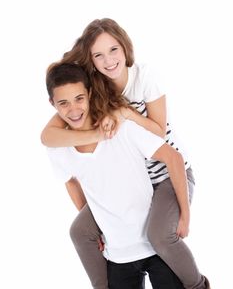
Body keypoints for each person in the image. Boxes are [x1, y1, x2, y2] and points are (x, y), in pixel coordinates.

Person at [41, 19, 210, 289]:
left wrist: (125, 113)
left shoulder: (144, 77)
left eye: (114, 50)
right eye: (98, 55)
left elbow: (159, 134)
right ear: (90, 60)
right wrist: (95, 135)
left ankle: (197, 285)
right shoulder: (93, 89)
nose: (108, 61)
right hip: (138, 180)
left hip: (166, 175)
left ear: (125, 47)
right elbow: (48, 136)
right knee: (80, 231)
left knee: (160, 236)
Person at [45, 61, 186, 288]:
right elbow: (70, 181)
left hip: (156, 247)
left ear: (89, 93)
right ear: (52, 104)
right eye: (63, 103)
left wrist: (183, 216)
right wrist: (96, 222)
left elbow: (173, 157)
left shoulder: (121, 127)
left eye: (79, 98)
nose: (73, 109)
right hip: (118, 256)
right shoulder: (58, 148)